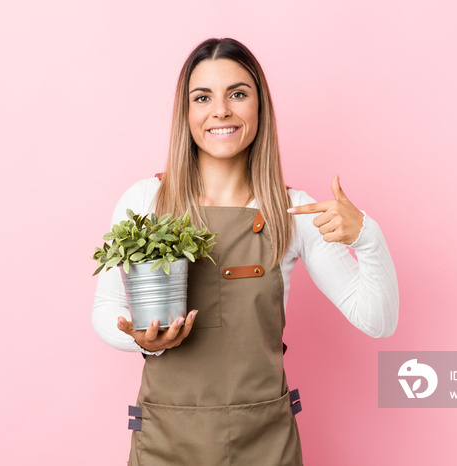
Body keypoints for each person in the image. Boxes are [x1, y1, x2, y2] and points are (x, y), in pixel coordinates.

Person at [92, 37, 398, 465]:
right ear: (187, 113)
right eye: (203, 97)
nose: (221, 110)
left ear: (260, 108)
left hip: (265, 445)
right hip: (165, 441)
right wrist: (143, 340)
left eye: (238, 93)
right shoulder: (145, 201)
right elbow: (106, 306)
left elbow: (377, 320)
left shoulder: (293, 212)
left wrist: (368, 236)